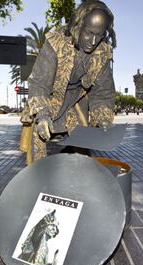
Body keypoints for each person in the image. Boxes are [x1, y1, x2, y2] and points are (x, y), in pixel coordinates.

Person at [20, 0, 117, 164]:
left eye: (99, 35)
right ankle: (35, 183)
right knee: (37, 149)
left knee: (82, 151)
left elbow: (102, 93)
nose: (93, 41)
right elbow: (39, 83)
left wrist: (103, 120)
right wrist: (42, 115)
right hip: (48, 100)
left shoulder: (102, 53)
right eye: (88, 32)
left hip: (75, 102)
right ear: (78, 25)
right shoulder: (56, 43)